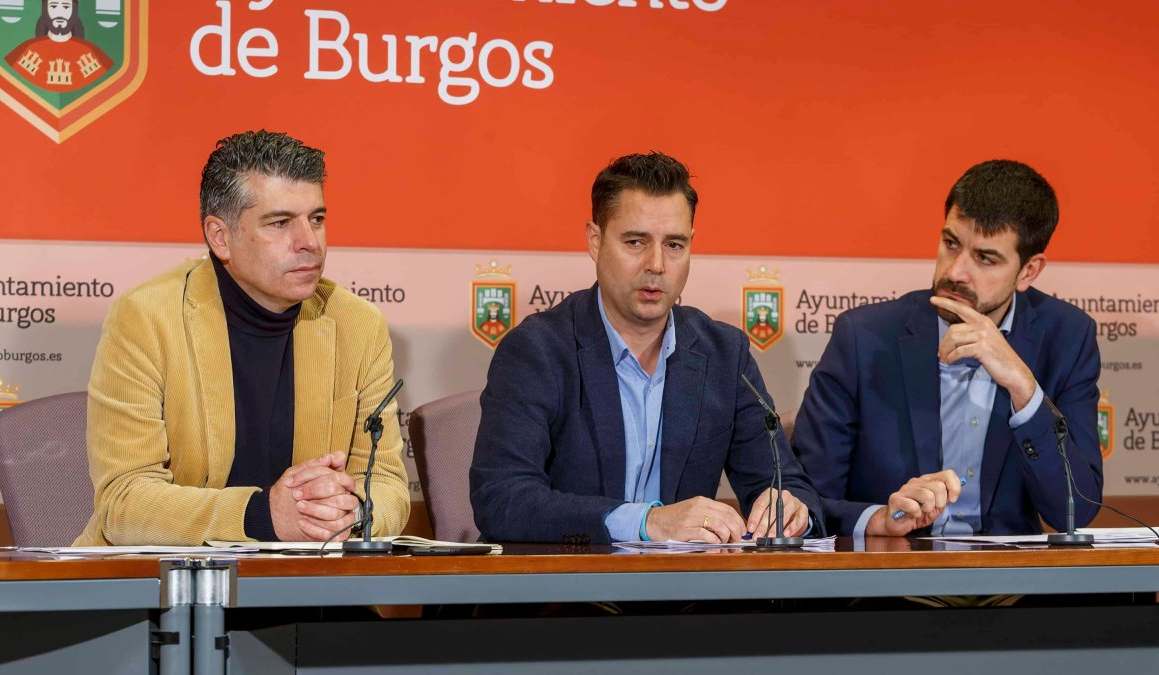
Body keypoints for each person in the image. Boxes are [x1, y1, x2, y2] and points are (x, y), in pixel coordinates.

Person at [74, 130, 410, 546]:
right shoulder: (146, 318)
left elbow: (390, 485)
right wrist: (262, 517)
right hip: (168, 586)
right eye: (280, 222)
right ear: (220, 237)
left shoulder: (356, 323)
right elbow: (124, 503)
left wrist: (352, 512)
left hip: (311, 587)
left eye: (317, 219)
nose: (310, 243)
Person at [470, 152, 823, 544]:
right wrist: (646, 523)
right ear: (595, 240)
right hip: (568, 593)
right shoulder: (538, 350)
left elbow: (785, 483)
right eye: (635, 242)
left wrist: (790, 511)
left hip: (690, 597)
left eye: (674, 245)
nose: (656, 264)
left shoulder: (725, 353)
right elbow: (502, 499)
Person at [794, 159, 1102, 538]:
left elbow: (1078, 510)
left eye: (985, 259)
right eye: (951, 243)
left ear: (1028, 271)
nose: (956, 271)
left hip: (1013, 583)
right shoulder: (863, 338)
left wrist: (1024, 388)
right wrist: (878, 518)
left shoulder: (1067, 338)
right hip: (895, 578)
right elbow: (803, 502)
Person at [5, 0, 114, 93]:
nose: (60, 13)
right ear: (45, 10)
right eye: (53, 6)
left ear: (74, 11)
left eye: (66, 7)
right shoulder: (26, 49)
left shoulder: (91, 52)